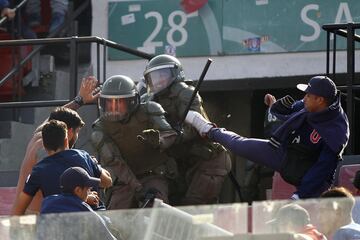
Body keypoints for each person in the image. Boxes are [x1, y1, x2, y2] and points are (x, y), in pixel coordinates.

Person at [185, 76, 349, 199]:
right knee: (240, 144)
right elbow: (290, 110)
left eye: (308, 95)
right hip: (287, 153)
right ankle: (209, 130)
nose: (304, 98)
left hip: (310, 172)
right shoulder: (309, 105)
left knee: (318, 213)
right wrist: (275, 105)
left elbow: (323, 168)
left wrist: (300, 194)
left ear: (320, 100)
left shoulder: (337, 128)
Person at [143, 54, 231, 205]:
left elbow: (192, 129)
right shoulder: (151, 100)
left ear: (175, 74)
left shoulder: (186, 93)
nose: (158, 81)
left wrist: (169, 137)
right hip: (183, 163)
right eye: (154, 77)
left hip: (207, 160)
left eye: (162, 75)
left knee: (194, 208)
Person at [11, 76, 100, 215]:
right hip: (38, 220)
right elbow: (57, 186)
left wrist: (79, 100)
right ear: (69, 133)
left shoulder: (41, 136)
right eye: (77, 132)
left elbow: (51, 119)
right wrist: (85, 197)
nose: (77, 137)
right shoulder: (47, 154)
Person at [91, 75, 178, 209]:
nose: (114, 108)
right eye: (110, 103)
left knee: (157, 208)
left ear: (131, 101)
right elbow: (115, 162)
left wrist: (159, 141)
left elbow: (171, 134)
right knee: (115, 218)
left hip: (154, 173)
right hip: (124, 180)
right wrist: (138, 189)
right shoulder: (100, 128)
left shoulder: (150, 110)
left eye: (118, 103)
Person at [11, 120, 112, 215]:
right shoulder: (84, 156)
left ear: (44, 145)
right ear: (66, 140)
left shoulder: (38, 171)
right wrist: (95, 164)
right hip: (96, 221)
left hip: (61, 225)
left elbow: (19, 209)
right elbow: (108, 181)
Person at [38, 167, 117, 240]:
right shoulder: (84, 210)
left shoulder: (48, 202)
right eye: (88, 189)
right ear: (78, 190)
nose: (90, 192)